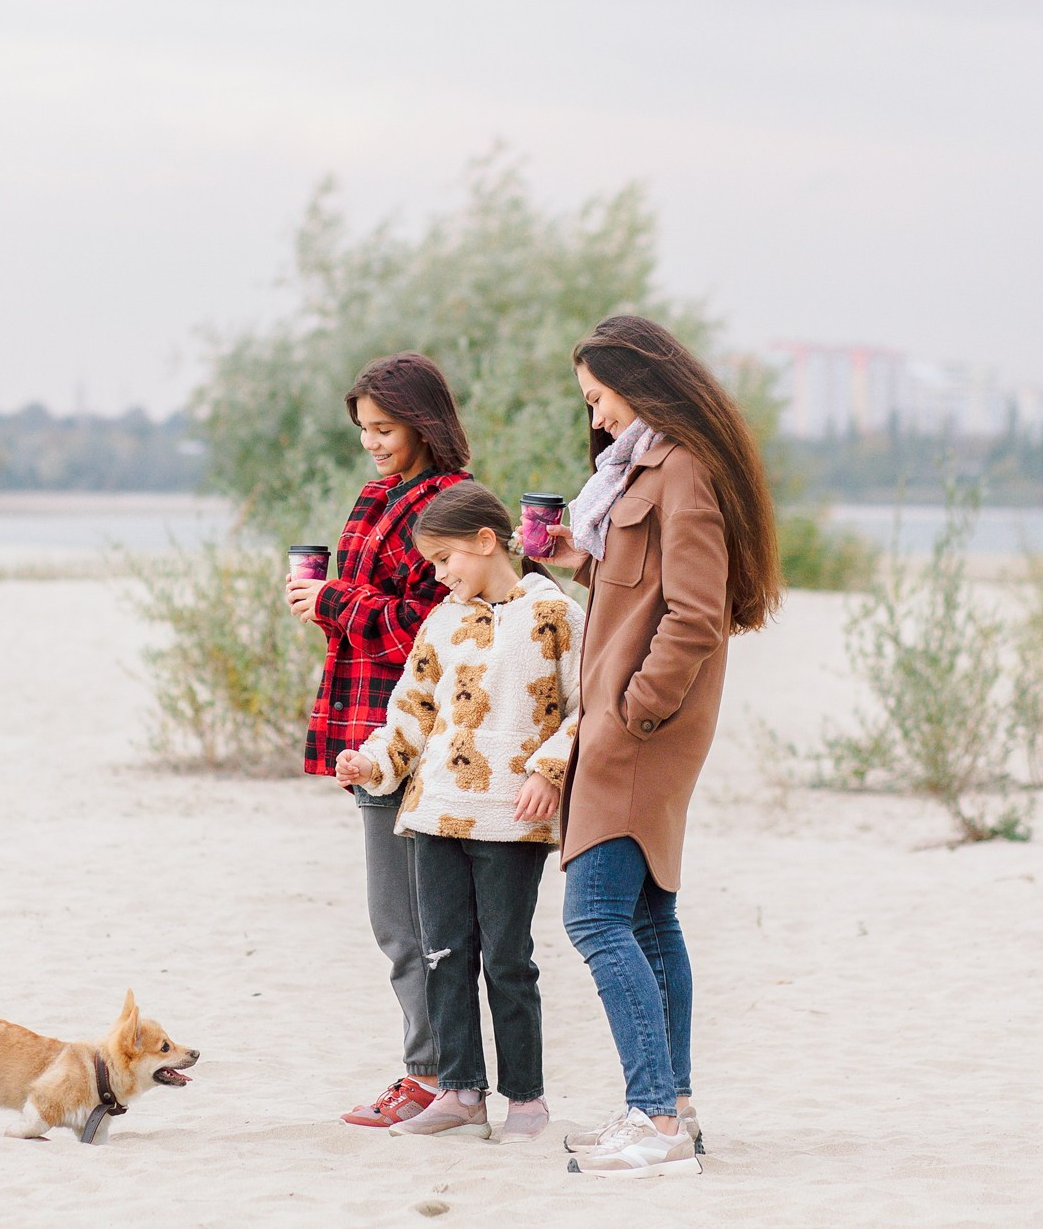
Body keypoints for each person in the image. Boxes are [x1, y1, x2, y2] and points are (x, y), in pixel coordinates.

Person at [540, 315, 783, 1178]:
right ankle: (672, 1104)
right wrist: (580, 560)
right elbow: (647, 591)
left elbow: (693, 612)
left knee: (596, 916)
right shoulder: (647, 468)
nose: (597, 419)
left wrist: (635, 712)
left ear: (638, 386)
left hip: (639, 731)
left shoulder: (680, 469)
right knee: (646, 916)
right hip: (631, 723)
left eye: (599, 399)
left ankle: (653, 1119)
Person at [335, 483, 584, 1143]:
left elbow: (585, 708)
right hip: (435, 813)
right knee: (444, 954)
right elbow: (414, 710)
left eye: (447, 560)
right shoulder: (443, 620)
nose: (441, 576)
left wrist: (548, 773)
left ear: (485, 540)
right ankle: (460, 1091)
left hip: (511, 818)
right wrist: (373, 762)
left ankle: (525, 1100)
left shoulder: (557, 613)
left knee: (508, 959)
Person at [288, 351, 471, 1128]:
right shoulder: (376, 496)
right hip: (364, 725)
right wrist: (328, 602)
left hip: (415, 735)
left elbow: (428, 630)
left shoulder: (450, 505)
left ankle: (433, 1078)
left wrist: (334, 598)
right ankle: (438, 1074)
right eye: (364, 429)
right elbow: (374, 609)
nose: (372, 443)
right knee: (400, 920)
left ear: (424, 423)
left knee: (411, 923)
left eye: (385, 428)